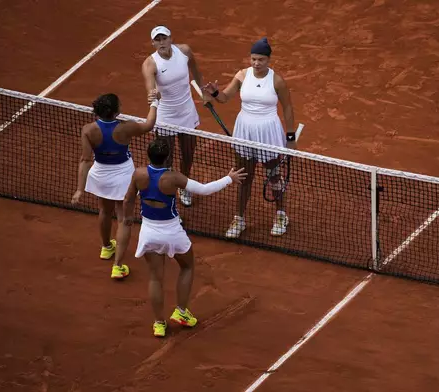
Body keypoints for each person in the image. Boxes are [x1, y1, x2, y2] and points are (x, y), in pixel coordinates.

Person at [120, 137, 246, 337]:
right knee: (187, 266)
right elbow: (204, 190)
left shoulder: (139, 174)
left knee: (155, 277)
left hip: (149, 233)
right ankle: (181, 312)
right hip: (172, 232)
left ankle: (159, 324)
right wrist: (229, 178)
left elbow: (127, 200)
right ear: (167, 157)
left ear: (148, 155)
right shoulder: (174, 178)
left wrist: (127, 219)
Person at [201, 37, 298, 239]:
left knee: (273, 175)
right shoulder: (242, 75)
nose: (256, 63)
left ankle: (281, 214)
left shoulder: (277, 80)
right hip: (244, 130)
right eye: (253, 58)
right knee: (244, 176)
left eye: (261, 59)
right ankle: (239, 218)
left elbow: (287, 107)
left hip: (268, 132)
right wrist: (215, 93)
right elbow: (225, 97)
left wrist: (290, 136)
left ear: (268, 60)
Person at [71, 92, 159, 279]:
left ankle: (106, 247)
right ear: (115, 111)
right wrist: (154, 102)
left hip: (100, 174)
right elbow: (149, 125)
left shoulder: (88, 130)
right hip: (123, 176)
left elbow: (85, 160)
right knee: (124, 219)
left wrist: (80, 189)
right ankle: (117, 266)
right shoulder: (125, 128)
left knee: (104, 210)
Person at [141, 25, 206, 208]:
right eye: (157, 40)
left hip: (187, 113)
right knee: (165, 159)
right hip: (165, 117)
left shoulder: (184, 51)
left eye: (164, 38)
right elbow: (150, 88)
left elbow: (196, 71)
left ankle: (183, 186)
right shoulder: (150, 64)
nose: (161, 42)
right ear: (153, 43)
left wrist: (204, 92)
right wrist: (154, 95)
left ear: (170, 39)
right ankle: (166, 189)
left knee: (188, 154)